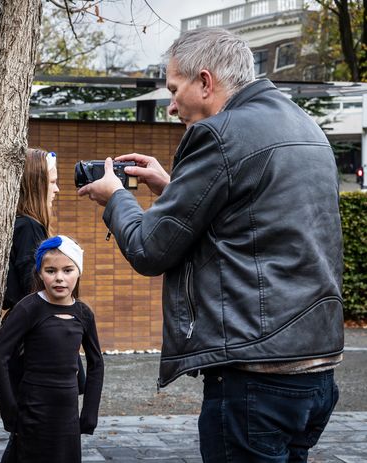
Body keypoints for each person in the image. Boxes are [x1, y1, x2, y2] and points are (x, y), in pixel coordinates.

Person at [79, 28, 344, 462]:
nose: (170, 105)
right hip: (315, 373)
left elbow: (150, 248)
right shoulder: (304, 125)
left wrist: (116, 198)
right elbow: (254, 223)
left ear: (205, 82)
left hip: (254, 378)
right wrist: (171, 187)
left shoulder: (219, 134)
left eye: (173, 89)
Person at [0, 235, 104, 463]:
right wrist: (9, 409)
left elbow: (96, 363)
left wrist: (90, 411)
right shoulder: (29, 308)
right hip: (33, 408)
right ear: (40, 273)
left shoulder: (83, 313)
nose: (59, 278)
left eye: (67, 270)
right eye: (51, 271)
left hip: (67, 411)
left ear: (78, 271)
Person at [3, 148, 59, 311]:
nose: (57, 190)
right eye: (52, 182)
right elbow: (33, 288)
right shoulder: (29, 227)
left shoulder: (20, 223)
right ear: (37, 185)